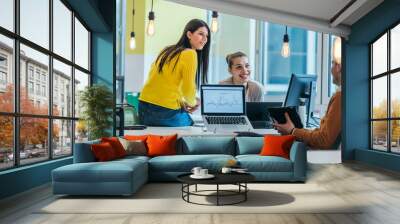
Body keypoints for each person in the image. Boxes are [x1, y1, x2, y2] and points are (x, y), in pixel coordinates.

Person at [138, 19, 210, 127]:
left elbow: (162, 82)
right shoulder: (190, 54)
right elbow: (188, 89)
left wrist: (180, 101)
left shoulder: (167, 50)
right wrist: (194, 102)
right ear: (189, 34)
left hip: (143, 108)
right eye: (201, 34)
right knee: (193, 125)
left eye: (207, 36)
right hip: (164, 111)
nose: (205, 39)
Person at [274, 60, 342, 149]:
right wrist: (294, 130)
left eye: (332, 63)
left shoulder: (339, 97)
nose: (331, 69)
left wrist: (292, 131)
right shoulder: (344, 95)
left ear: (339, 67)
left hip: (324, 157)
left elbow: (324, 140)